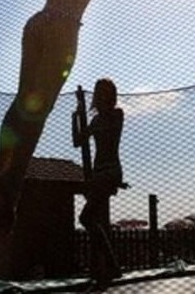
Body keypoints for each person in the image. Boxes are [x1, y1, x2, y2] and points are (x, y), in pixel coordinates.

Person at [0, 0, 140, 233]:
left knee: (22, 104)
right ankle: (11, 190)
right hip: (62, 30)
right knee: (37, 115)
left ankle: (3, 171)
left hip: (37, 24)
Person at [74, 78, 125, 292]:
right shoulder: (96, 120)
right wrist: (76, 115)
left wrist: (86, 113)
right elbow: (77, 141)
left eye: (105, 92)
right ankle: (107, 267)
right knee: (94, 219)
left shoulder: (116, 115)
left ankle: (111, 265)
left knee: (86, 218)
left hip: (109, 172)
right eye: (99, 92)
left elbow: (109, 132)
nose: (101, 96)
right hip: (100, 174)